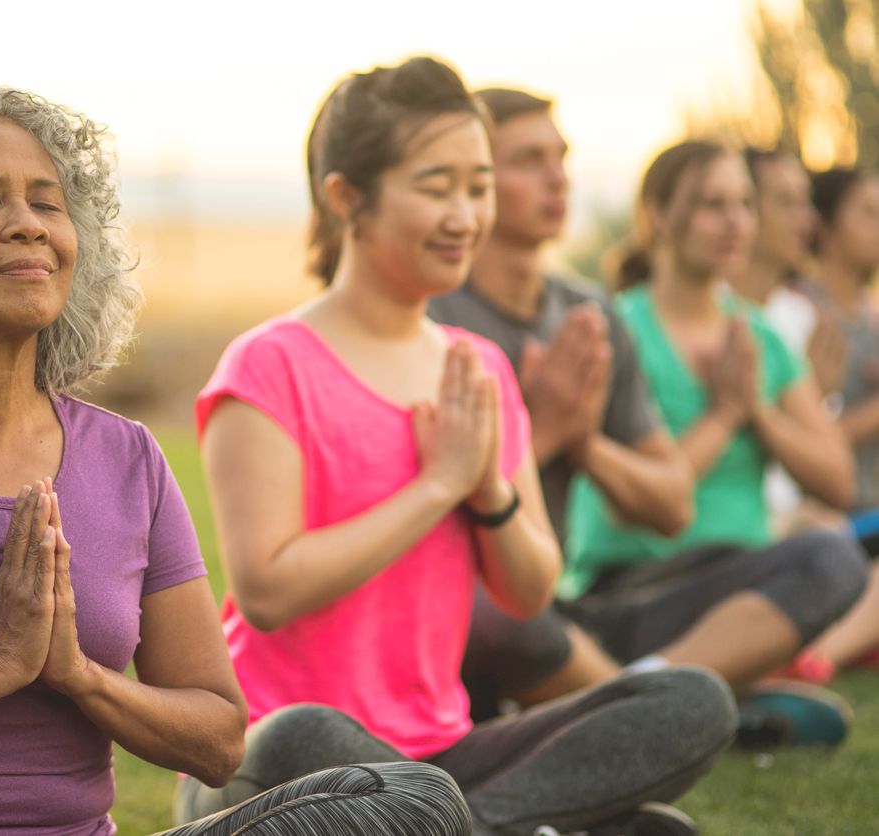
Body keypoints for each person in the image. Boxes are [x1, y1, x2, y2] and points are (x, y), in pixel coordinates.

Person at [0, 86, 472, 836]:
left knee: (414, 802)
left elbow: (217, 738)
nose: (27, 225)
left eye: (47, 203)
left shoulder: (128, 457)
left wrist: (76, 675)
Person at [178, 57, 735, 836]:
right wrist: (436, 486)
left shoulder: (479, 371)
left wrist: (491, 495)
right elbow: (269, 590)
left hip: (444, 750)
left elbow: (530, 592)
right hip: (279, 764)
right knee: (310, 733)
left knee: (691, 700)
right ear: (347, 199)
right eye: (435, 187)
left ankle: (447, 823)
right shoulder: (270, 365)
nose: (465, 215)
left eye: (477, 188)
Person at [562, 140, 868, 747]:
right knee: (822, 554)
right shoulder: (614, 329)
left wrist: (758, 408)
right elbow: (637, 503)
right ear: (658, 215)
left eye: (744, 205)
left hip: (742, 586)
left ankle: (667, 695)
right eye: (712, 204)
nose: (736, 223)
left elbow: (838, 480)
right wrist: (727, 413)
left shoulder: (758, 338)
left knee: (833, 554)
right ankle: (683, 695)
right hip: (635, 586)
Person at [428, 88, 694, 717]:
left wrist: (586, 444)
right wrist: (539, 431)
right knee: (496, 614)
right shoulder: (430, 316)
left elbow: (673, 506)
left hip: (560, 604)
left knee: (820, 560)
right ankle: (652, 712)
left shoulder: (590, 314)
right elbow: (425, 529)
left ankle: (621, 694)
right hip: (469, 613)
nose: (558, 178)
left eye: (562, 157)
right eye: (528, 160)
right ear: (475, 182)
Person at [775, 166, 879, 679]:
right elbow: (812, 439)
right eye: (868, 213)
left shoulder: (872, 315)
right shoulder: (800, 314)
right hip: (830, 511)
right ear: (828, 230)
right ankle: (817, 661)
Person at [731, 148, 847, 534]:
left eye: (806, 202)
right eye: (787, 203)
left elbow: (831, 470)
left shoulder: (801, 318)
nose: (807, 220)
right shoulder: (705, 316)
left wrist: (810, 397)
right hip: (735, 532)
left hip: (801, 521)